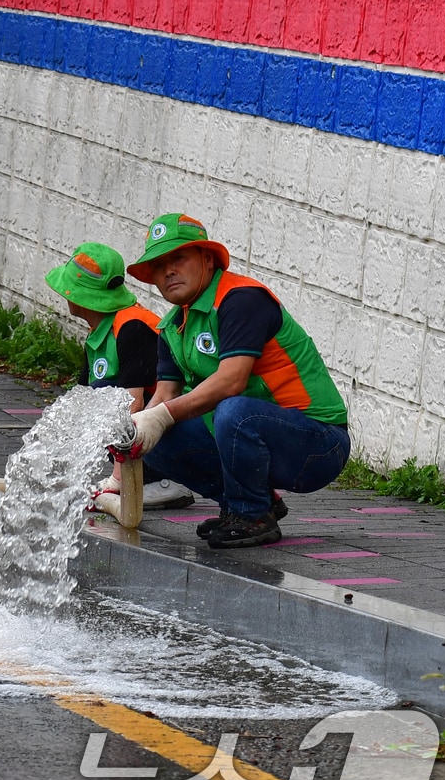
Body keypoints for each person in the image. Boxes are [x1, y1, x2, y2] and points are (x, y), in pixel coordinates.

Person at [122, 213, 351, 548]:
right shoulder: (170, 327)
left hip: (319, 444)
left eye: (178, 258)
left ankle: (252, 514)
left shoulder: (241, 299)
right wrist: (137, 433)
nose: (168, 271)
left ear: (207, 259)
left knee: (233, 410)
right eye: (158, 266)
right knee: (156, 442)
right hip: (256, 434)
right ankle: (246, 504)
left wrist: (161, 415)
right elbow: (166, 395)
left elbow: (232, 381)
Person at [43, 242, 194, 510]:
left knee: (114, 401)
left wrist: (116, 480)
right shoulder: (99, 332)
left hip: (171, 433)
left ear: (80, 296)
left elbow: (134, 405)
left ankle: (162, 479)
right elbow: (81, 403)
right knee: (94, 401)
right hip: (142, 439)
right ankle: (137, 478)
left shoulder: (132, 327)